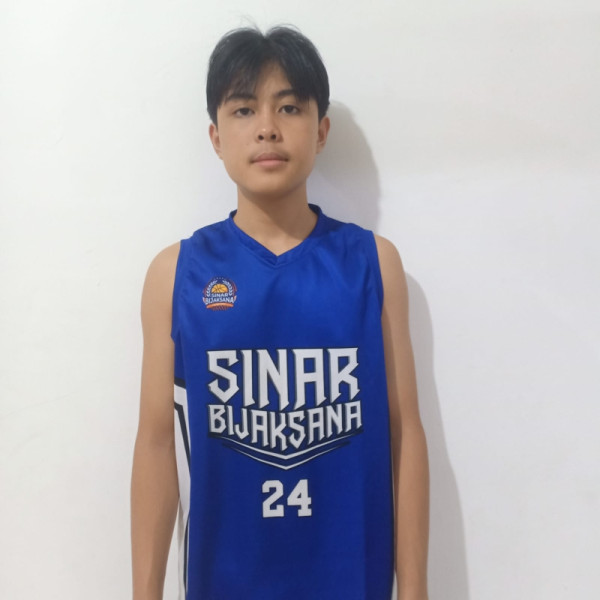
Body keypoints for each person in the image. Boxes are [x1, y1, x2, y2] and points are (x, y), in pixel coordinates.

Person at [131, 25, 429, 600]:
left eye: (289, 107)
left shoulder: (374, 263)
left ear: (321, 131)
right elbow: (155, 444)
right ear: (216, 137)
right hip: (223, 583)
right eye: (244, 109)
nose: (267, 126)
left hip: (350, 582)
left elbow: (405, 434)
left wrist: (415, 590)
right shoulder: (176, 274)